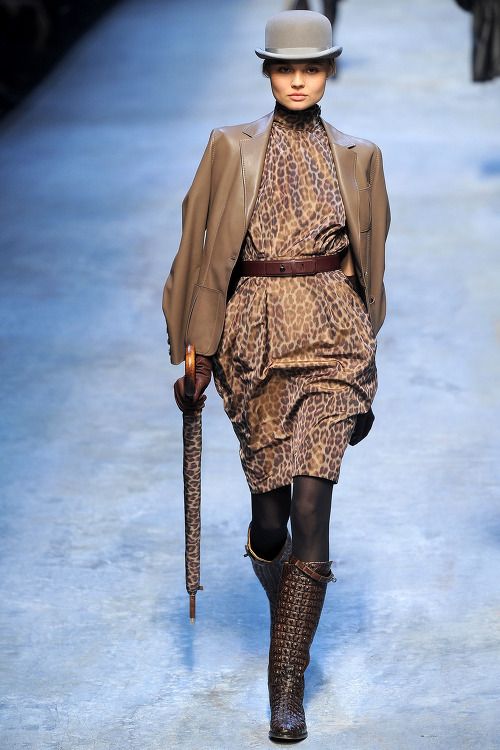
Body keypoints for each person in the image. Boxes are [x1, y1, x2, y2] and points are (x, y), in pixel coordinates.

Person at [162, 10, 390, 742]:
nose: (298, 80)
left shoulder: (360, 155)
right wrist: (195, 351)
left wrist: (364, 361)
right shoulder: (228, 147)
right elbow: (199, 250)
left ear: (329, 71)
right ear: (267, 72)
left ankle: (285, 686)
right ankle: (285, 584)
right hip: (254, 341)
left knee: (313, 507)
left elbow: (370, 263)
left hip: (331, 340)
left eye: (311, 68)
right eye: (286, 68)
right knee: (272, 518)